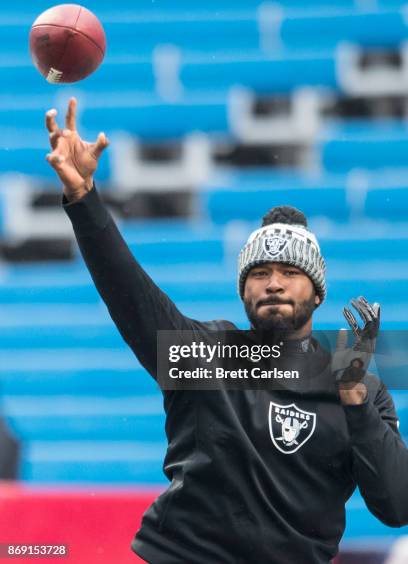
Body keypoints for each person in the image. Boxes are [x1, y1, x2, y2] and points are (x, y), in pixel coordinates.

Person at [45, 97, 408, 564]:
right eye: (259, 273)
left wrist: (355, 401)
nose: (274, 282)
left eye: (290, 272)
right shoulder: (208, 353)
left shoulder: (360, 387)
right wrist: (84, 199)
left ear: (318, 292)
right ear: (243, 292)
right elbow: (128, 292)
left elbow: (396, 506)